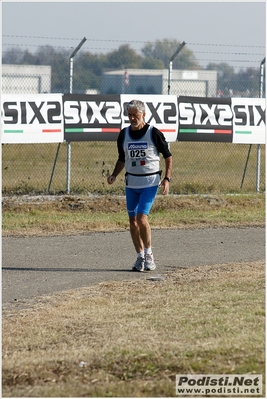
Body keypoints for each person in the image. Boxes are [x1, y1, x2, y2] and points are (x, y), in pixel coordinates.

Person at [107, 99, 172, 272]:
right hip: (131, 184)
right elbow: (122, 158)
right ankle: (140, 257)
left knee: (142, 218)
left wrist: (167, 178)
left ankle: (149, 254)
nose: (132, 118)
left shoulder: (153, 133)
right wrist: (114, 174)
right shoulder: (124, 134)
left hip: (150, 183)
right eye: (129, 115)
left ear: (143, 114)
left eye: (135, 115)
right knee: (132, 221)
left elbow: (168, 156)